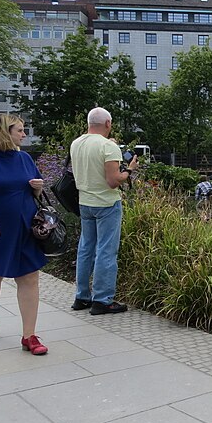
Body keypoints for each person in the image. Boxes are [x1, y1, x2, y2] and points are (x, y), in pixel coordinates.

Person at [0, 114, 49, 355]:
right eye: (20, 130)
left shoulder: (24, 158)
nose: (24, 135)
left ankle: (29, 336)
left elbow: (33, 194)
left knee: (29, 278)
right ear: (5, 131)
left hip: (25, 229)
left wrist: (38, 188)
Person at [70, 107, 137, 315]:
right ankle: (102, 299)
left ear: (89, 123)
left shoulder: (76, 143)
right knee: (106, 251)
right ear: (108, 124)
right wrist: (129, 170)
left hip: (85, 202)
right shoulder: (108, 147)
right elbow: (113, 181)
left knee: (85, 249)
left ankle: (82, 297)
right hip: (106, 204)